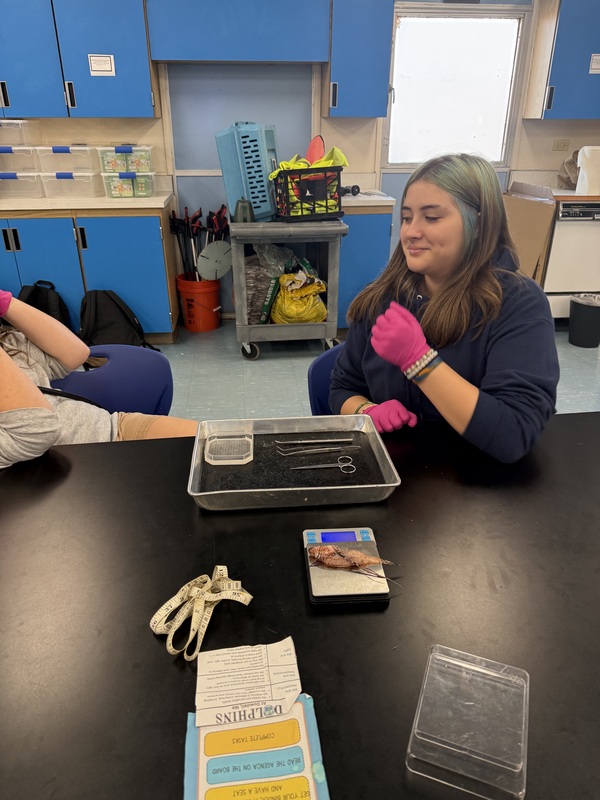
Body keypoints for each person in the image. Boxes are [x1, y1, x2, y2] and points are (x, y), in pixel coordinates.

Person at [329, 153, 560, 464]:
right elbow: (342, 387)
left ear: (478, 223)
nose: (411, 232)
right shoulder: (383, 299)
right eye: (408, 216)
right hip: (402, 483)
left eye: (432, 217)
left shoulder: (519, 304)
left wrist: (420, 362)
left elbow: (514, 434)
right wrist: (367, 410)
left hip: (480, 489)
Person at [0, 290, 198, 470]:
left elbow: (75, 355)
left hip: (114, 430)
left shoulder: (10, 345)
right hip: (54, 477)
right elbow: (37, 432)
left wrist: (7, 303)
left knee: (217, 444)